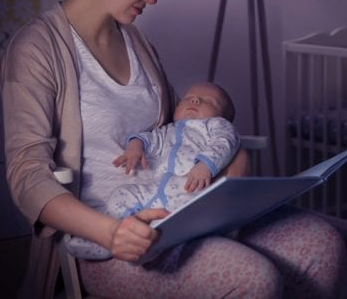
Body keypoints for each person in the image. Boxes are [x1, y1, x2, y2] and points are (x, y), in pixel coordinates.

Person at [0, 0, 345, 298]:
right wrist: (111, 232)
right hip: (117, 237)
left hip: (183, 211)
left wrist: (232, 162)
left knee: (320, 241)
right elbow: (27, 175)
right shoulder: (38, 48)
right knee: (252, 277)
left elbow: (177, 130)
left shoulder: (136, 42)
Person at [65, 81, 240, 259]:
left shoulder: (215, 126)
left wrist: (205, 165)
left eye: (208, 101)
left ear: (221, 116)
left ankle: (154, 249)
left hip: (191, 186)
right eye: (188, 98)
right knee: (123, 194)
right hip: (156, 187)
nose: (195, 101)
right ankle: (104, 238)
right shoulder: (168, 131)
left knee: (177, 221)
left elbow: (225, 141)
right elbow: (148, 138)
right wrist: (135, 147)